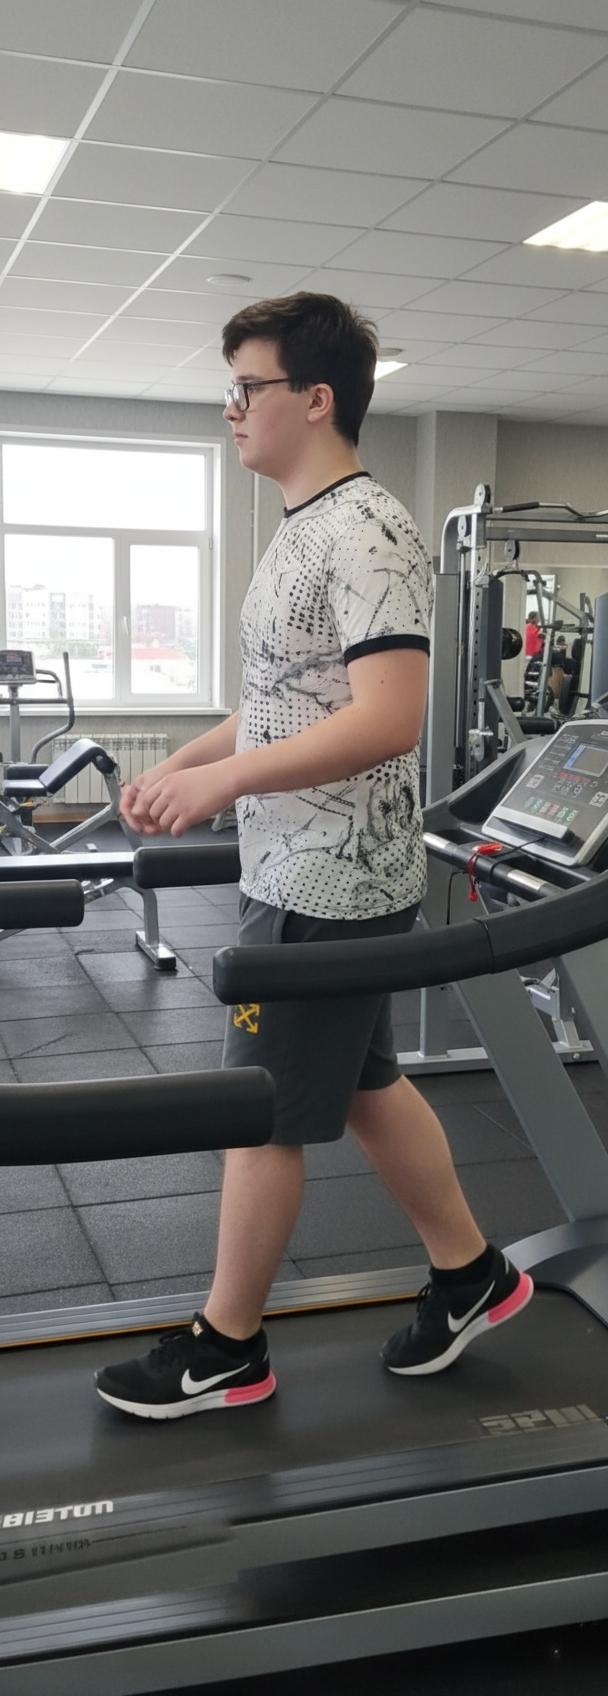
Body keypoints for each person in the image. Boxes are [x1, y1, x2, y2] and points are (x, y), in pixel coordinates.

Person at [96, 293, 532, 1420]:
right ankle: (471, 1274)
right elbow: (286, 701)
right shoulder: (302, 526)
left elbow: (389, 717)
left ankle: (228, 1347)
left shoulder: (367, 530)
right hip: (304, 866)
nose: (231, 408)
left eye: (247, 387)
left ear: (316, 398)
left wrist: (225, 783)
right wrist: (185, 765)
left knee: (261, 1109)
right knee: (367, 1085)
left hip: (329, 879)